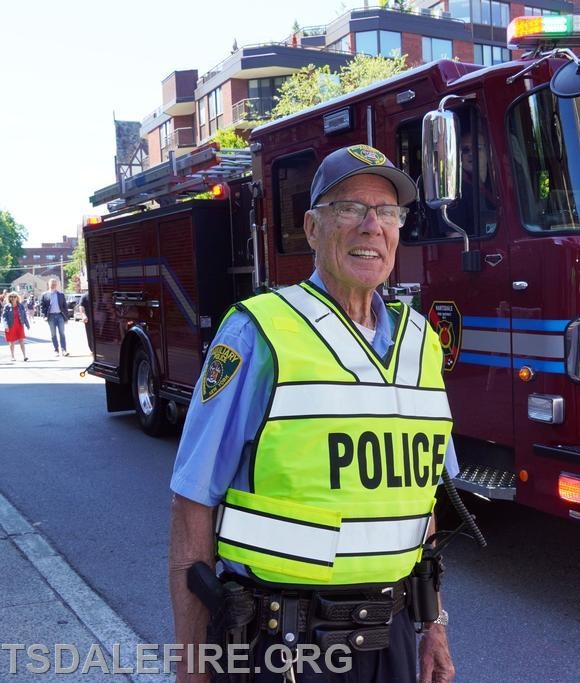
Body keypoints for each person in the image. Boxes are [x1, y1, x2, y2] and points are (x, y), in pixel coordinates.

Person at [169, 145, 457, 683]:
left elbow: (422, 504)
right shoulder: (258, 333)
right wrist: (192, 667)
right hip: (283, 646)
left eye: (388, 212)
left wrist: (433, 625)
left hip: (392, 637)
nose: (371, 226)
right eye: (349, 207)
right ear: (312, 227)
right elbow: (191, 504)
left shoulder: (422, 344)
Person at [39, 278, 69, 356]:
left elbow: (65, 307)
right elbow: (42, 307)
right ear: (49, 284)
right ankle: (56, 350)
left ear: (57, 285)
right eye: (52, 284)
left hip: (60, 316)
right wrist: (44, 316)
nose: (53, 285)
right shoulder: (44, 295)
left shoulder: (61, 295)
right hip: (51, 317)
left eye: (55, 284)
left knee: (62, 333)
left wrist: (66, 318)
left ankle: (64, 350)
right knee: (53, 334)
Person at [2, 291, 30, 361]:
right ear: (9, 298)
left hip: (19, 325)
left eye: (15, 297)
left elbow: (24, 316)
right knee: (12, 341)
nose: (13, 298)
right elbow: (4, 317)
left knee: (21, 340)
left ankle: (24, 356)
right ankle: (12, 356)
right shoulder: (7, 306)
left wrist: (27, 324)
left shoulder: (20, 306)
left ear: (17, 298)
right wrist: (6, 326)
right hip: (11, 325)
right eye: (11, 297)